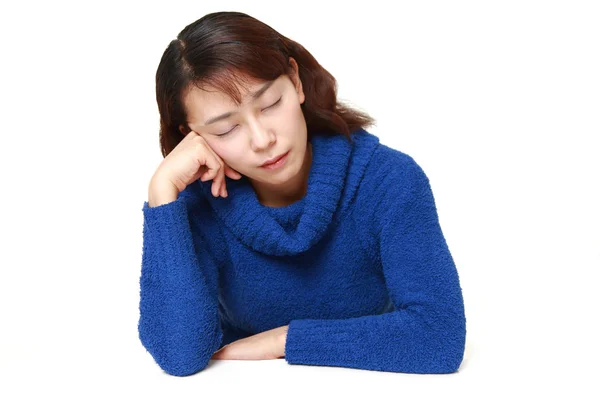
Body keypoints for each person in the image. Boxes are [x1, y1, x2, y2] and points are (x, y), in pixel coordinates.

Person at [138, 11, 467, 377]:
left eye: (270, 105)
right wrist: (162, 195)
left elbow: (439, 337)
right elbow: (179, 356)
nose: (263, 141)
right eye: (227, 129)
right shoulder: (199, 207)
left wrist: (284, 341)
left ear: (295, 81)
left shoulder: (388, 180)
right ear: (192, 136)